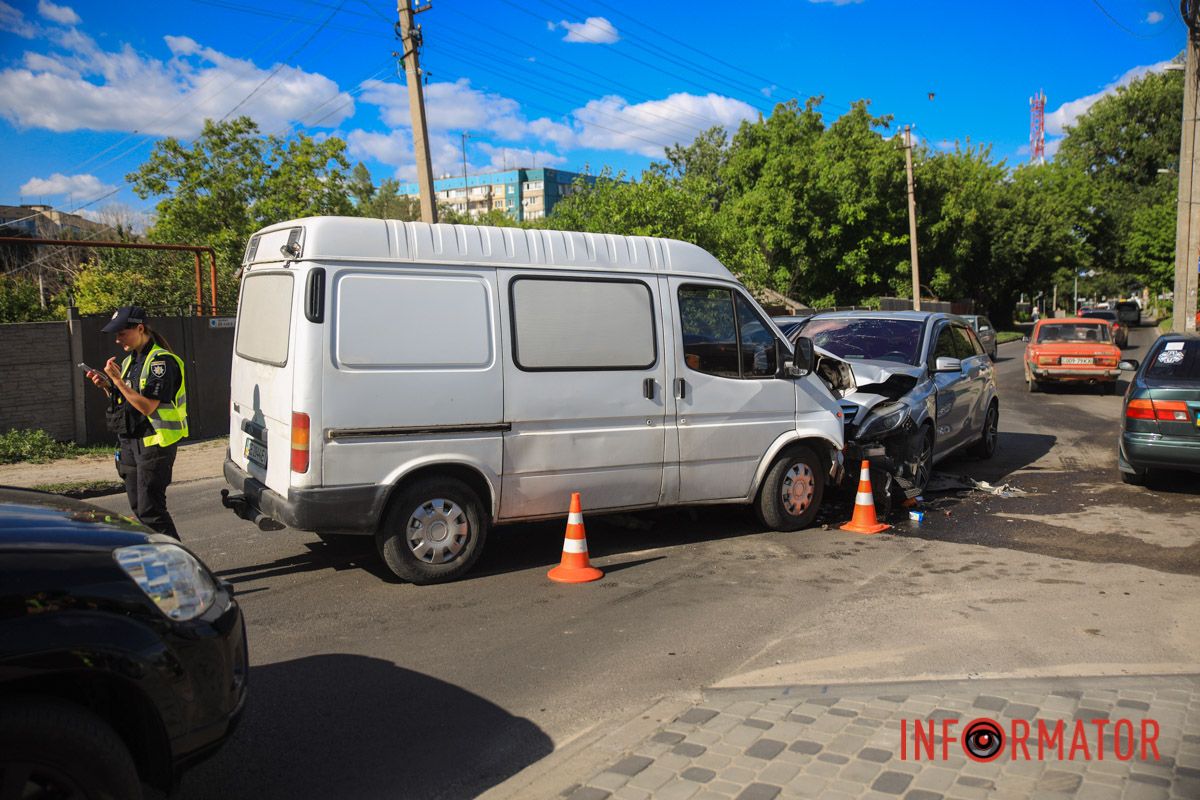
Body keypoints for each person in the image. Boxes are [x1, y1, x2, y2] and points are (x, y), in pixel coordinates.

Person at [85, 306, 188, 539]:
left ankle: (178, 562)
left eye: (122, 333)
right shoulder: (132, 360)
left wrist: (117, 381)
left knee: (151, 510)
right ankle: (159, 560)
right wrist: (107, 386)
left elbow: (147, 406)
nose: (117, 339)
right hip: (130, 443)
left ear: (140, 328)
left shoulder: (160, 362)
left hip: (154, 444)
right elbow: (127, 402)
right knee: (139, 510)